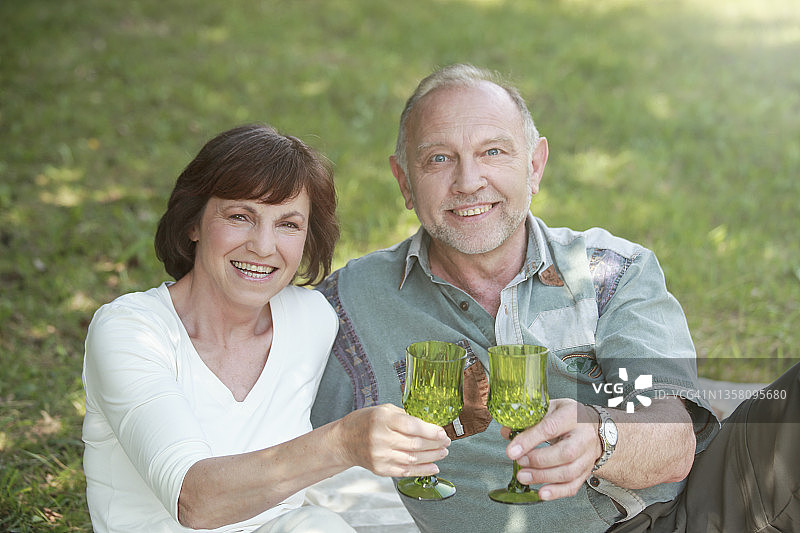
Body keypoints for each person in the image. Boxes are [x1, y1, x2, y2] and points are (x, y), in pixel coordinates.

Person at [311, 64, 800, 532]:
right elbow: (252, 394)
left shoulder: (611, 272)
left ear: (535, 166)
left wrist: (600, 436)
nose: (468, 181)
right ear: (404, 181)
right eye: (438, 158)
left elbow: (671, 437)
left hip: (689, 515)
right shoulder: (354, 306)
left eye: (494, 152)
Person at [81, 124, 452, 533]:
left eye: (288, 225)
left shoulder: (311, 318)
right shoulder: (131, 332)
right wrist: (344, 441)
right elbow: (195, 502)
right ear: (193, 224)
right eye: (241, 216)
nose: (263, 245)